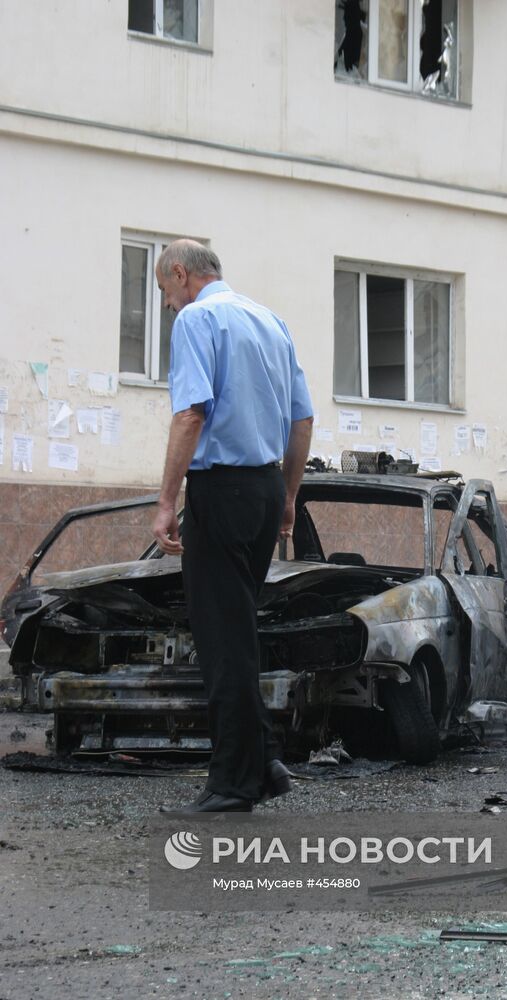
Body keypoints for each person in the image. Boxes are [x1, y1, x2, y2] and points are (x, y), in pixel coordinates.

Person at [152, 239, 313, 812]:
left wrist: (167, 500)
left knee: (221, 640)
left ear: (179, 273)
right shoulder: (271, 321)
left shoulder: (198, 320)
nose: (169, 306)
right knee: (239, 629)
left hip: (220, 489)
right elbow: (302, 418)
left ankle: (231, 784)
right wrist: (289, 495)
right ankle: (263, 761)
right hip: (267, 488)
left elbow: (191, 412)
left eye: (165, 293)